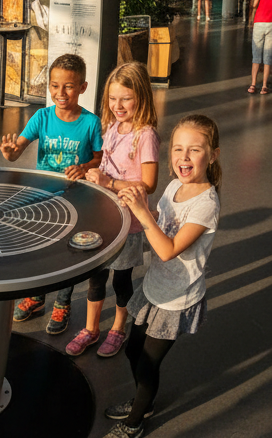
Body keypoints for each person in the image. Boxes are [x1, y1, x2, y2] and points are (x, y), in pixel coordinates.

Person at [102, 114, 222, 438]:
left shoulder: (206, 205)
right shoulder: (174, 186)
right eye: (178, 149)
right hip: (155, 287)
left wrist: (143, 214)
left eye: (194, 150)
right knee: (131, 350)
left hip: (176, 299)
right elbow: (162, 220)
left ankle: (135, 422)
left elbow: (169, 249)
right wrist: (144, 207)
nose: (183, 157)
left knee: (147, 364)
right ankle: (145, 401)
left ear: (212, 155)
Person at [0, 53, 103, 335]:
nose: (60, 92)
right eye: (54, 85)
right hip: (42, 199)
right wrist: (10, 153)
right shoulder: (41, 117)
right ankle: (38, 297)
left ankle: (63, 302)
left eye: (68, 86)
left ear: (82, 87)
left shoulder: (91, 123)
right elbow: (16, 150)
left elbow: (99, 158)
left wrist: (84, 167)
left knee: (68, 251)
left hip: (76, 198)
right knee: (41, 248)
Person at [61, 62, 161, 358]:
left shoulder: (146, 136)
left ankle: (118, 328)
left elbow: (149, 184)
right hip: (103, 216)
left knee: (120, 279)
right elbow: (104, 163)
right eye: (113, 98)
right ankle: (91, 329)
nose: (117, 105)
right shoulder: (113, 127)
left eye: (125, 99)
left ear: (140, 97)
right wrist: (86, 170)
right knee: (95, 277)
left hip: (128, 223)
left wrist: (110, 182)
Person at [248, 0, 272, 93]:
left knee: (256, 56)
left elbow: (254, 5)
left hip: (259, 22)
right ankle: (264, 86)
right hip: (271, 24)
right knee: (268, 57)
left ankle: (252, 85)